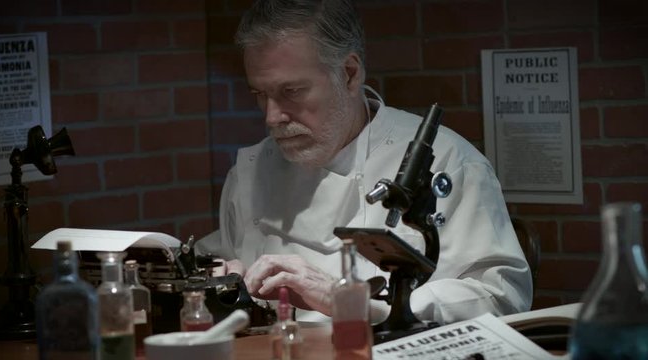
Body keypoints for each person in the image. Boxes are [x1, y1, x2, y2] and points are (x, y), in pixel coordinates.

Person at [196, 0, 532, 324]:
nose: (272, 117)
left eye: (292, 91)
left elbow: (499, 296)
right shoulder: (252, 171)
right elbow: (220, 261)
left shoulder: (446, 162)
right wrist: (221, 278)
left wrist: (350, 301)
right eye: (260, 95)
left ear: (350, 74)